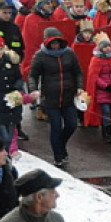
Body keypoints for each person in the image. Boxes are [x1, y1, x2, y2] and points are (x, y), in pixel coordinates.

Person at [27, 27, 84, 168]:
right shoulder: (40, 55)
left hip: (68, 96)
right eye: (52, 43)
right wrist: (33, 90)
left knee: (72, 124)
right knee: (56, 127)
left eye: (57, 42)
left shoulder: (70, 53)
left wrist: (80, 86)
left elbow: (78, 72)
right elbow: (32, 75)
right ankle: (58, 155)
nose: (55, 45)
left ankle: (61, 144)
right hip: (51, 98)